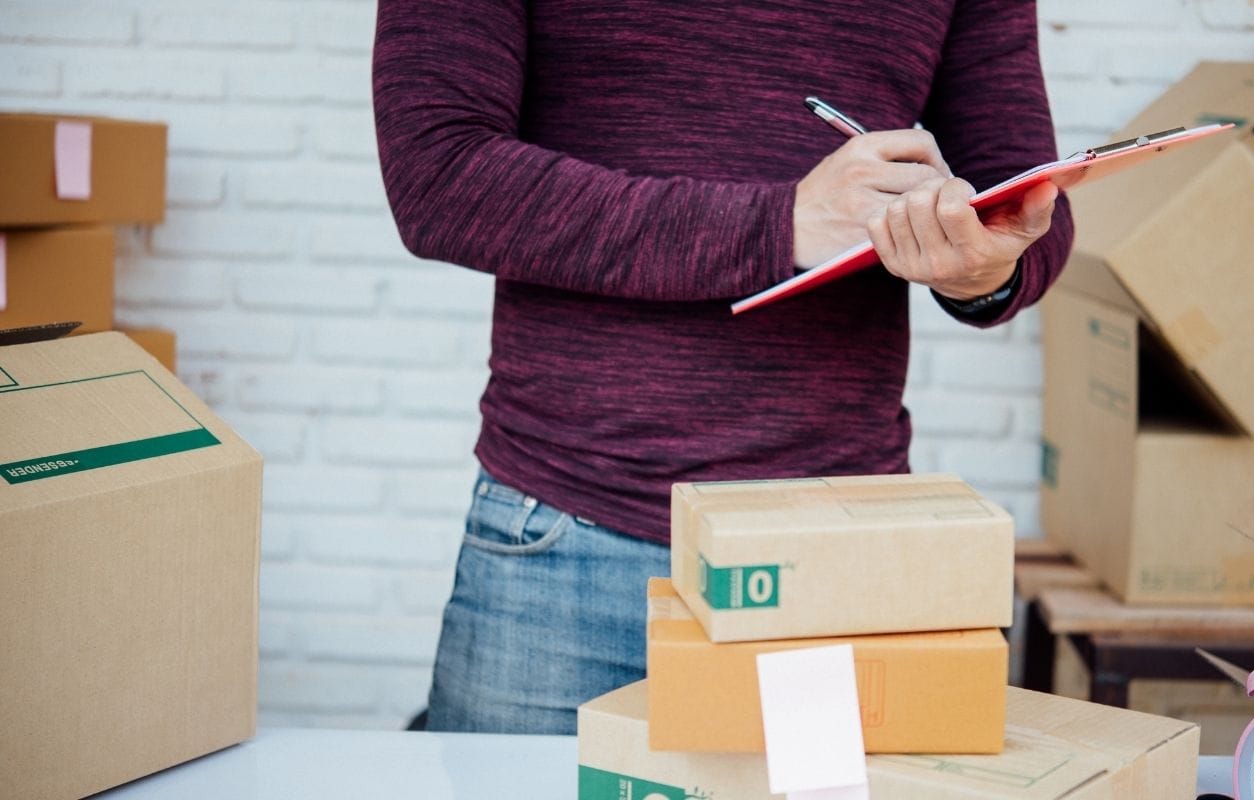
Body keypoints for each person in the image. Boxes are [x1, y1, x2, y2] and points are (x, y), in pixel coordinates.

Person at [372, 0, 1073, 734]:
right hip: (565, 538)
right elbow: (439, 174)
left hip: (838, 551)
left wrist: (980, 266)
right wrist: (780, 224)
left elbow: (1026, 194)